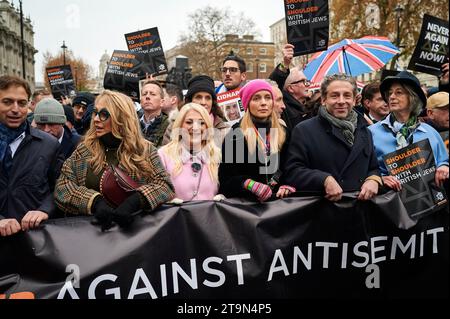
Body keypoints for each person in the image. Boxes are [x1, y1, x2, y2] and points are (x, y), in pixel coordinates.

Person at [55, 90, 175, 230]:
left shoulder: (144, 150)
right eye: (95, 112)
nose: (96, 119)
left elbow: (165, 186)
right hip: (90, 235)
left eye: (104, 114)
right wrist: (94, 202)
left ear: (121, 118)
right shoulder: (85, 150)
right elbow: (62, 187)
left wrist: (136, 200)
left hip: (133, 235)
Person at [284, 73, 382, 202]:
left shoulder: (364, 131)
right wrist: (324, 179)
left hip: (359, 212)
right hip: (323, 212)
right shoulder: (304, 130)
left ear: (354, 100)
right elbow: (292, 172)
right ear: (323, 100)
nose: (341, 101)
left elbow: (373, 168)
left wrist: (373, 180)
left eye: (347, 95)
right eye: (334, 95)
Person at [0, 76, 64, 237]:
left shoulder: (49, 145)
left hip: (33, 242)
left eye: (22, 103)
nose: (15, 109)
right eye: (7, 102)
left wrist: (44, 210)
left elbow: (61, 187)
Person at [369, 71, 449, 191]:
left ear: (412, 97)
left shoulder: (430, 132)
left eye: (399, 92)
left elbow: (443, 161)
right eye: (390, 93)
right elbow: (363, 170)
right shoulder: (371, 133)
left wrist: (444, 167)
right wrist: (379, 179)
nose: (391, 97)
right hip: (391, 203)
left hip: (429, 203)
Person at [219, 80, 296, 202]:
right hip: (249, 211)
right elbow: (226, 181)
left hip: (280, 207)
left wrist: (288, 184)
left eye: (268, 97)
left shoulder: (284, 132)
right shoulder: (236, 135)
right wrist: (248, 184)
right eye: (256, 98)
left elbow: (292, 167)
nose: (264, 103)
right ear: (247, 104)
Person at [158, 103, 222, 201]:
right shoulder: (163, 155)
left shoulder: (217, 155)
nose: (195, 127)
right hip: (176, 215)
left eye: (201, 123)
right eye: (189, 122)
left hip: (209, 215)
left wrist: (222, 196)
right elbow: (156, 192)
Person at [163, 75, 230, 147]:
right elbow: (167, 154)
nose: (203, 102)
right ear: (189, 100)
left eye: (208, 98)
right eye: (198, 97)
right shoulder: (174, 127)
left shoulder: (224, 130)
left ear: (213, 102)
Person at [269, 44, 311, 132]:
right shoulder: (284, 106)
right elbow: (274, 83)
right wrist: (284, 64)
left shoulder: (309, 104)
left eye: (307, 81)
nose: (307, 85)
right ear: (291, 88)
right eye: (302, 81)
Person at [139, 80, 170, 148]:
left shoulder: (169, 125)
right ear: (140, 101)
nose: (147, 97)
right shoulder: (130, 123)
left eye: (152, 94)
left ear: (162, 102)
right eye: (144, 94)